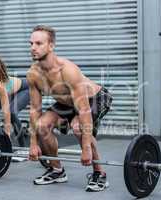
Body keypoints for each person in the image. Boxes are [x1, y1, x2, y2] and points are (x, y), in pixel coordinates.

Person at [27, 25, 113, 192]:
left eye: (38, 43)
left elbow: (84, 110)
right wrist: (33, 143)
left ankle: (99, 173)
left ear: (51, 46)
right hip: (68, 103)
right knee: (41, 125)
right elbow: (34, 110)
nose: (33, 48)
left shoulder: (68, 71)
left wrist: (86, 148)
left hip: (94, 98)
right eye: (31, 43)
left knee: (78, 127)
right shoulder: (33, 74)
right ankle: (57, 170)